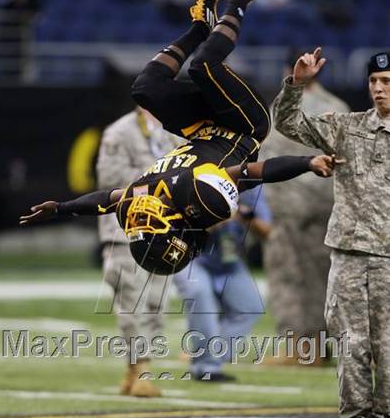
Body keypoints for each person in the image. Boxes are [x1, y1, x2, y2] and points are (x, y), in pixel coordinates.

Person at [20, 0, 340, 277]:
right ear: (174, 229)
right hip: (243, 124)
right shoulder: (200, 197)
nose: (141, 216)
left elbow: (106, 200)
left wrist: (61, 208)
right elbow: (257, 171)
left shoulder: (148, 196)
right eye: (149, 224)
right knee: (203, 66)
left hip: (200, 127)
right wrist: (307, 163)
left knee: (145, 89)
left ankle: (199, 28)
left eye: (138, 224)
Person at [273, 48, 390, 418]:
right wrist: (296, 85)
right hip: (347, 255)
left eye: (387, 82)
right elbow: (288, 123)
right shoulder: (348, 128)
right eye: (374, 82)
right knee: (350, 349)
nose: (379, 89)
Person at [259, 52, 350, 364]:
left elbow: (267, 158)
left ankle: (299, 348)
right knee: (324, 277)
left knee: (288, 275)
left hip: (288, 205)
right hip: (328, 204)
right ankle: (322, 347)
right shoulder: (339, 107)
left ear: (290, 71)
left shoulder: (281, 108)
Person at [97, 107, 181, 397]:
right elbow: (109, 179)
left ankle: (135, 370)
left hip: (162, 231)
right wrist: (159, 178)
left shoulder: (172, 132)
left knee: (157, 305)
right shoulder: (119, 132)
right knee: (133, 304)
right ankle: (140, 369)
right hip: (125, 232)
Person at [174, 186, 271, 381]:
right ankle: (205, 367)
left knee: (251, 307)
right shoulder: (197, 182)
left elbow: (267, 230)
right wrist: (215, 218)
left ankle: (209, 358)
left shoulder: (251, 189)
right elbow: (184, 229)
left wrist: (243, 217)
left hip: (229, 261)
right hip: (193, 258)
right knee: (200, 297)